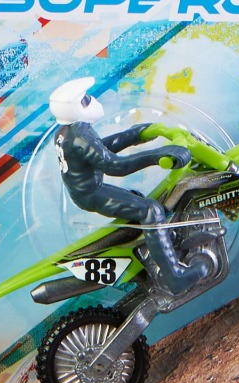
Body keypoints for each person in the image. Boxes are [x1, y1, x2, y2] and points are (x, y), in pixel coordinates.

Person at [49, 76, 212, 293]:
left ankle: (160, 243)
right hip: (93, 193)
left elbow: (101, 149)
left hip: (86, 192)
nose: (92, 100)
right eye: (86, 99)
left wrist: (137, 134)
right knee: (151, 210)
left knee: (143, 201)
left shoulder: (66, 132)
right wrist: (157, 155)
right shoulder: (79, 134)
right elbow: (114, 165)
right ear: (74, 107)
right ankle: (175, 278)